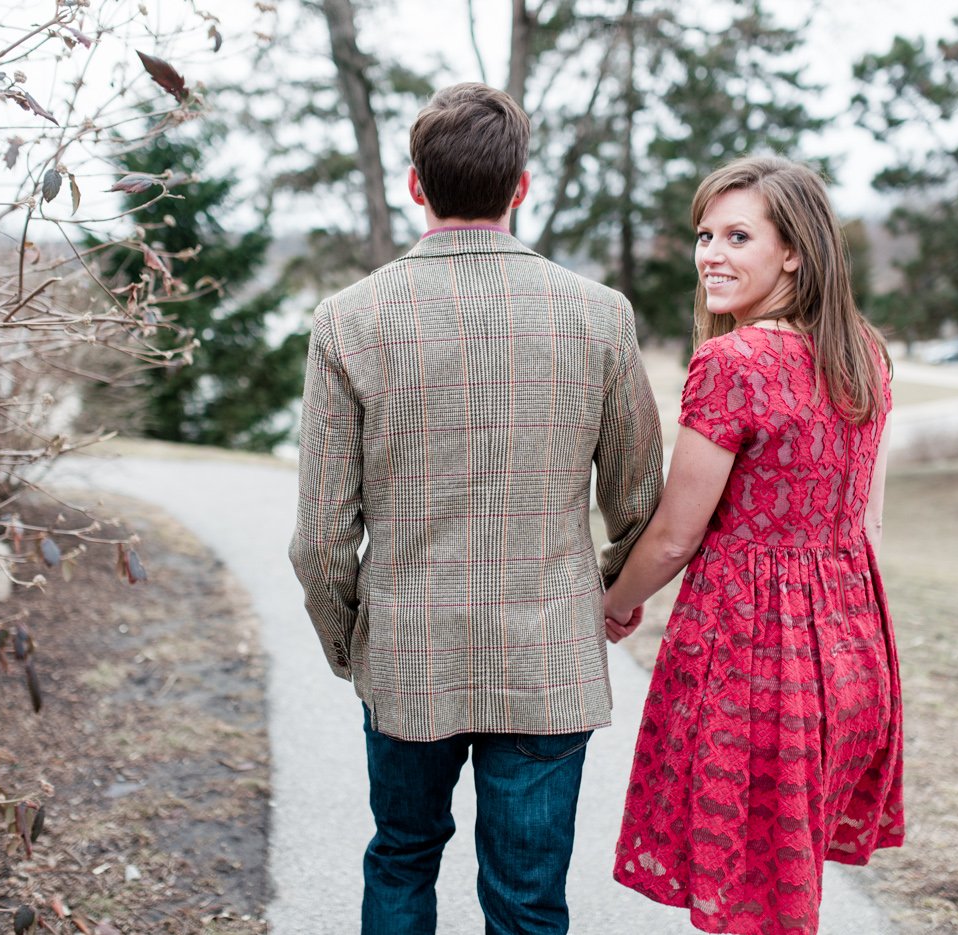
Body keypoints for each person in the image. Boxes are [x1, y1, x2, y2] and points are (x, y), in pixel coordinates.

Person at [288, 82, 664, 935]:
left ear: (415, 185)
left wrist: (350, 639)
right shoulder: (599, 316)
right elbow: (640, 500)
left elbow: (319, 537)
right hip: (548, 660)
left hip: (410, 652)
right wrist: (610, 592)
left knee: (403, 855)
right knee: (528, 896)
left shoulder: (349, 320)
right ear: (520, 187)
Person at [603, 156, 905, 935]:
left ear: (795, 250)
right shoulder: (863, 353)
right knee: (778, 895)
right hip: (852, 654)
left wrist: (615, 602)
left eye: (739, 235)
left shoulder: (735, 362)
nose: (711, 253)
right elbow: (867, 523)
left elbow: (675, 535)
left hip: (756, 659)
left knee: (751, 907)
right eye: (706, 234)